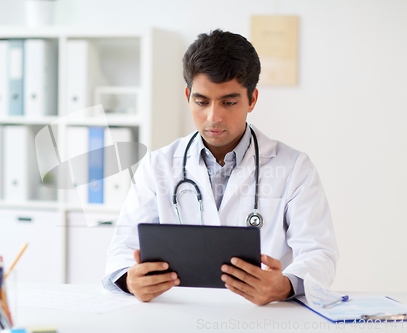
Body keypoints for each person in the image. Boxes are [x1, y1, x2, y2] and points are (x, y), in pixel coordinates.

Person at [102, 29, 339, 305]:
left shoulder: (294, 167)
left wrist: (285, 286)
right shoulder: (158, 166)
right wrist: (130, 280)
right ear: (188, 95)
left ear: (252, 99)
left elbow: (320, 253)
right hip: (180, 313)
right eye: (201, 102)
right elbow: (122, 249)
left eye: (229, 102)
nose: (213, 117)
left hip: (260, 317)